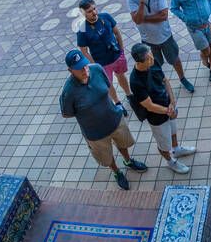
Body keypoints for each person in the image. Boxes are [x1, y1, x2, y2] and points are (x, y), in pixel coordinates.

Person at [60, 50, 147, 190]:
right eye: (79, 68)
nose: (84, 70)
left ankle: (128, 161)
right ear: (70, 70)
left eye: (85, 65)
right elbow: (66, 113)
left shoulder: (97, 69)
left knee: (122, 143)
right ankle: (116, 172)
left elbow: (107, 87)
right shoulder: (68, 92)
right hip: (95, 133)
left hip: (114, 119)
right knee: (106, 156)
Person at [127, 44, 197, 173]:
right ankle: (170, 161)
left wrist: (172, 101)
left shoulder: (154, 62)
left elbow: (165, 81)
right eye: (149, 58)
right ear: (140, 61)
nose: (153, 59)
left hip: (168, 107)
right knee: (163, 143)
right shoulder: (135, 81)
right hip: (156, 117)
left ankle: (176, 149)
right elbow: (149, 106)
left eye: (151, 55)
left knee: (173, 130)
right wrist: (168, 111)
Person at [126, 0, 193, 93]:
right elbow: (137, 20)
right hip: (148, 40)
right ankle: (160, 83)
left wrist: (143, 18)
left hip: (165, 35)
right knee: (154, 65)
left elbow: (163, 16)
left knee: (174, 59)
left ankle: (183, 78)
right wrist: (141, 1)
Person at [76, 0, 132, 103]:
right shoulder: (82, 30)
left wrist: (122, 49)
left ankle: (129, 95)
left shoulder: (106, 17)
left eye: (94, 8)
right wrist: (95, 65)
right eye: (89, 11)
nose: (94, 12)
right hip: (102, 63)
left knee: (121, 76)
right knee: (108, 84)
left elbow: (117, 32)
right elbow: (84, 51)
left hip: (117, 55)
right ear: (83, 14)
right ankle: (117, 102)